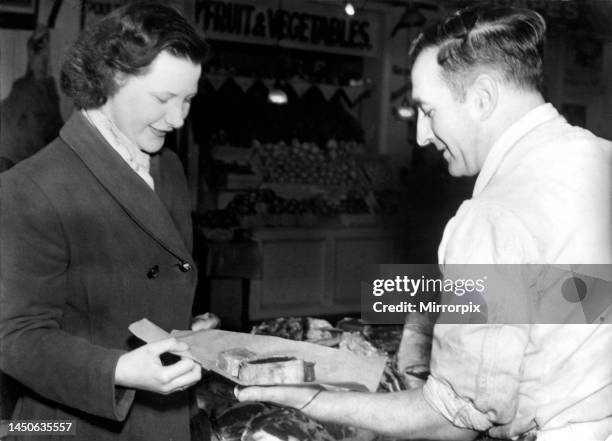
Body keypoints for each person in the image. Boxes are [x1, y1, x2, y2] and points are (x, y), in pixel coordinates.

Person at [235, 6, 612, 441]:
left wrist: (311, 399)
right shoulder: (600, 159)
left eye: (428, 111)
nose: (421, 136)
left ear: (483, 98)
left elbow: (452, 420)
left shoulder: (492, 217)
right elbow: (573, 303)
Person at [0, 3, 207, 440]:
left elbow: (153, 286)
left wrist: (188, 331)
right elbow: (14, 338)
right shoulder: (30, 187)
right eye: (163, 98)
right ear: (112, 77)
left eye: (188, 99)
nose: (178, 119)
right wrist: (117, 369)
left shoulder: (168, 167)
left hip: (165, 418)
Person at [0, 25, 63, 171]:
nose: (43, 63)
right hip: (20, 163)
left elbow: (55, 131)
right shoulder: (21, 90)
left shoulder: (49, 91)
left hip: (37, 163)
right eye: (38, 52)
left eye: (46, 59)